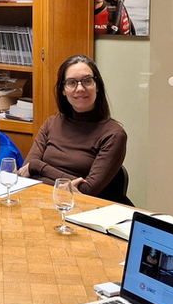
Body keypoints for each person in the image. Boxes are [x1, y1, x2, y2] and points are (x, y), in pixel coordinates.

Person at [20, 55, 128, 201]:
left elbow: (86, 191)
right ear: (63, 90)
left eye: (87, 81)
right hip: (40, 202)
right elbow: (25, 173)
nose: (80, 88)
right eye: (71, 83)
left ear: (97, 86)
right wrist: (62, 186)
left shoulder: (114, 134)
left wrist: (38, 167)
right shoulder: (52, 123)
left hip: (83, 211)